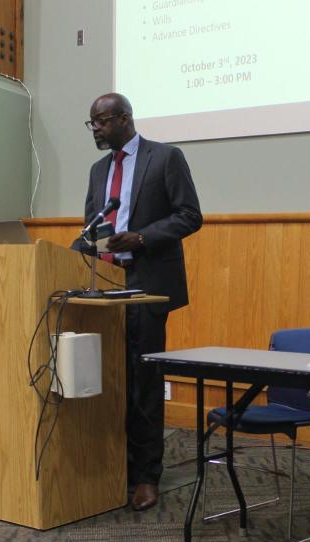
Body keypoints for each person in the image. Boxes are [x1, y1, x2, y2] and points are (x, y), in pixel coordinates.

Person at [83, 92, 202, 511]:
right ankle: (116, 466)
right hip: (107, 285)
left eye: (101, 122)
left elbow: (190, 215)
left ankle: (147, 475)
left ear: (124, 119)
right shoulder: (99, 170)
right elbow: (90, 225)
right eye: (92, 123)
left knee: (144, 383)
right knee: (112, 379)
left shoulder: (165, 158)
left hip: (147, 282)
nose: (95, 129)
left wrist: (142, 236)